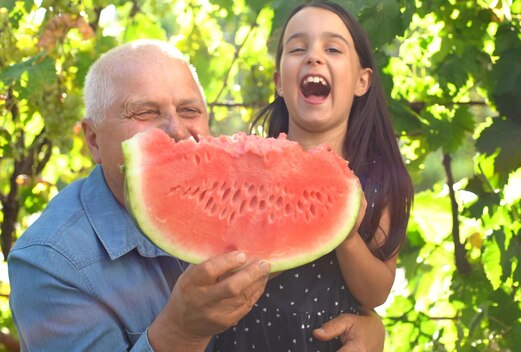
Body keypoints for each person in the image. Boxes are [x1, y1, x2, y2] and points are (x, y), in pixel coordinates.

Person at [8, 39, 386, 352]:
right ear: (93, 139)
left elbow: (300, 290)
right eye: (144, 111)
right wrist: (180, 333)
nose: (175, 130)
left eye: (189, 110)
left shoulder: (235, 199)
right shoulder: (48, 262)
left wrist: (368, 325)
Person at [213, 2, 414, 351]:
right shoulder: (246, 171)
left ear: (362, 81)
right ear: (279, 81)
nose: (313, 57)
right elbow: (221, 272)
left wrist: (346, 235)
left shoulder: (383, 180)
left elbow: (376, 293)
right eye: (297, 48)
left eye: (332, 48)